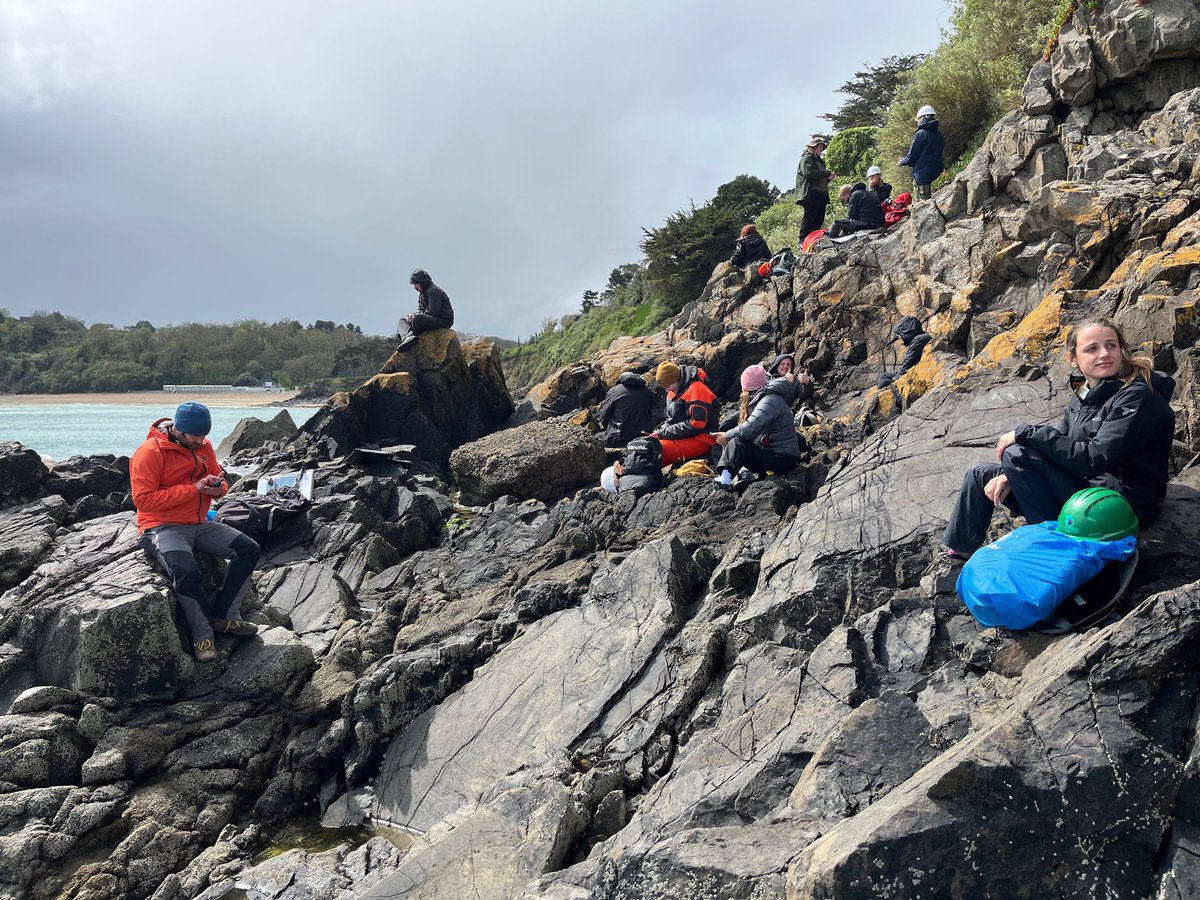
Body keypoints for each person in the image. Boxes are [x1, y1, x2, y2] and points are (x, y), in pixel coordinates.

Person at [938, 317, 1175, 569]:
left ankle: (1054, 550)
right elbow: (1063, 443)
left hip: (1119, 505)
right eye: (1092, 348)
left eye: (1111, 346)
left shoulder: (1138, 396)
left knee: (1017, 454)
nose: (1104, 354)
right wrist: (1011, 474)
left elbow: (1092, 460)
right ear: (1073, 358)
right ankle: (957, 557)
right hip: (1089, 489)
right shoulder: (1088, 392)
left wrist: (1025, 432)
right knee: (981, 474)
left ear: (1121, 349)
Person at [130, 402, 262, 663]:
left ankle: (225, 617)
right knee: (186, 572)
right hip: (161, 526)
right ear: (178, 429)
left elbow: (218, 479)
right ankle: (203, 635)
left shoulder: (203, 447)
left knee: (249, 549)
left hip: (198, 523)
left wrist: (218, 489)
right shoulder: (149, 453)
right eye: (195, 436)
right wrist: (195, 488)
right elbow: (143, 501)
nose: (201, 440)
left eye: (204, 435)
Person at [712, 365, 805, 489]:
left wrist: (727, 436)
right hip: (773, 454)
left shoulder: (770, 401)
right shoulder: (763, 398)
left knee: (737, 442)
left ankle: (725, 479)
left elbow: (750, 428)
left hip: (784, 460)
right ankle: (738, 474)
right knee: (727, 445)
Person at [652, 361, 719, 466]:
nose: (666, 389)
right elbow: (671, 419)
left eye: (667, 385)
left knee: (653, 451)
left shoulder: (697, 391)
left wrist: (663, 433)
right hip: (685, 435)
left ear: (675, 379)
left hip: (704, 438)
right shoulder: (672, 391)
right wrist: (659, 432)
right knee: (644, 444)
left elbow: (695, 425)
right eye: (664, 386)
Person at [396, 269, 455, 351]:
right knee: (402, 320)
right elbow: (421, 310)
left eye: (415, 284)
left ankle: (409, 334)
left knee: (417, 319)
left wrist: (414, 317)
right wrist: (410, 317)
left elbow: (433, 312)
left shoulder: (434, 291)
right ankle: (408, 338)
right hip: (429, 318)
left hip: (443, 321)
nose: (415, 287)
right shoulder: (422, 294)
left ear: (422, 283)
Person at [898, 105, 945, 201]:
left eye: (918, 118)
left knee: (922, 206)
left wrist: (902, 161)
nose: (918, 121)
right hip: (935, 171)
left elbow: (912, 156)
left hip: (922, 176)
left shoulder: (921, 134)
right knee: (928, 204)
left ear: (924, 117)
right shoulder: (938, 134)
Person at [599, 371, 655, 448]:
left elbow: (604, 416)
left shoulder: (614, 391)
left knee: (596, 438)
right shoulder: (648, 392)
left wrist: (608, 428)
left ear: (620, 379)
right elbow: (653, 413)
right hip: (643, 436)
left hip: (620, 438)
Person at [795, 138, 834, 241]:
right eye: (820, 147)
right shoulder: (807, 158)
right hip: (811, 193)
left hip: (821, 193)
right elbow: (808, 173)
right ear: (815, 147)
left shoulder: (820, 161)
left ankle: (814, 238)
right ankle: (803, 240)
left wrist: (828, 178)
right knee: (810, 216)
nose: (821, 149)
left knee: (819, 217)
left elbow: (819, 178)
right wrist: (826, 173)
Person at [877, 317, 932, 388]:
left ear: (907, 332)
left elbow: (910, 360)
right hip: (910, 370)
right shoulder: (918, 339)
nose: (899, 337)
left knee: (884, 382)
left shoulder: (919, 340)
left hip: (914, 373)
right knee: (884, 376)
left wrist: (897, 376)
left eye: (900, 334)